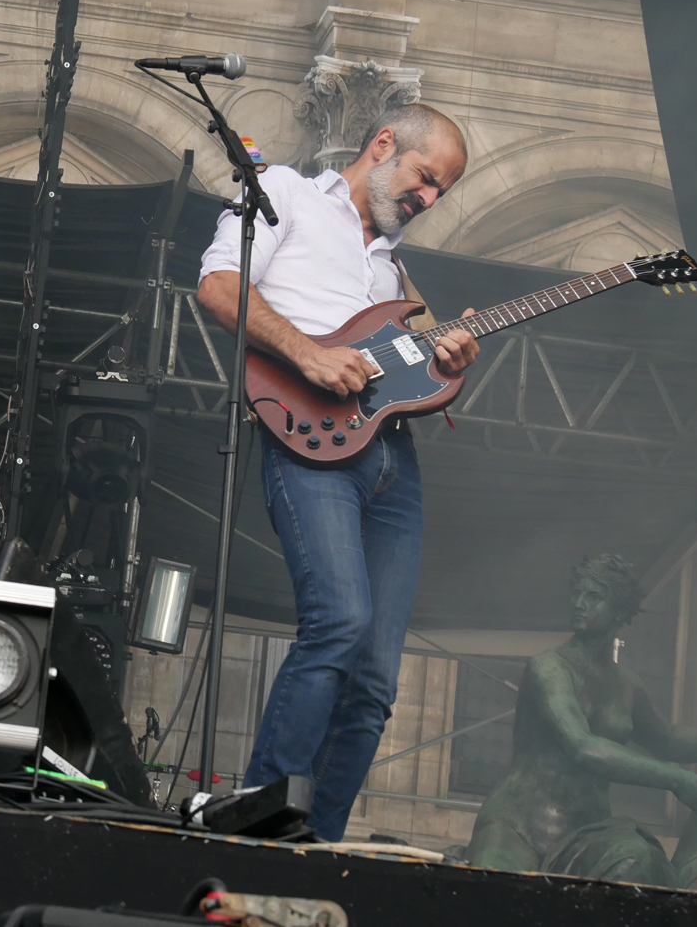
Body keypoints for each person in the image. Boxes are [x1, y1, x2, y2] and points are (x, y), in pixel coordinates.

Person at [196, 103, 479, 840]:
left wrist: (449, 359)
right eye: (425, 178)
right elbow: (220, 287)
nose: (428, 199)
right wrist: (309, 353)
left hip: (393, 460)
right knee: (339, 623)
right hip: (311, 444)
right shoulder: (286, 194)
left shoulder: (394, 270)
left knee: (376, 678)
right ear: (383, 144)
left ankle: (315, 841)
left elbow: (412, 378)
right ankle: (259, 814)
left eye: (441, 192)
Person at [465, 554, 697, 884]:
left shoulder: (627, 686)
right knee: (495, 890)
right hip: (518, 826)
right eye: (577, 593)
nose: (579, 603)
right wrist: (677, 779)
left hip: (583, 832)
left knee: (638, 859)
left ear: (620, 611)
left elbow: (667, 740)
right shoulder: (548, 668)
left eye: (593, 596)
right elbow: (582, 747)